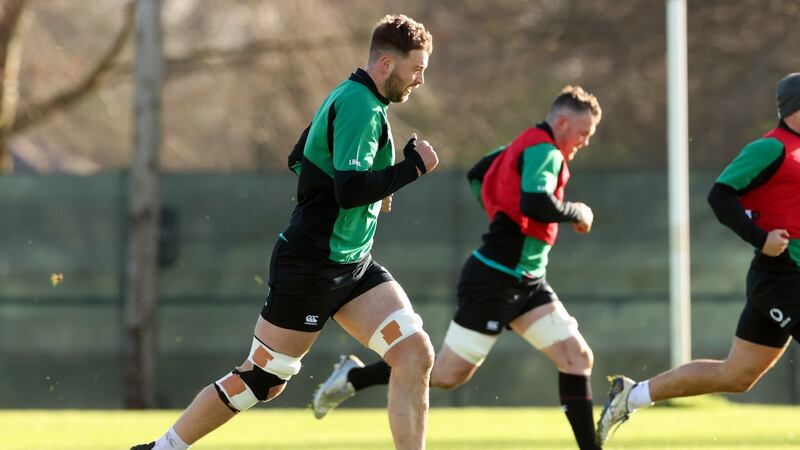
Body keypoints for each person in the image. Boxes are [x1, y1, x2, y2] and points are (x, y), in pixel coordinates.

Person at [131, 14, 437, 450]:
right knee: (262, 378)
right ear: (387, 64)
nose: (420, 79)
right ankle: (162, 448)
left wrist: (372, 187)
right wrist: (411, 168)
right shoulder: (360, 105)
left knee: (415, 354)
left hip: (353, 265)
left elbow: (301, 157)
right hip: (311, 267)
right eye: (417, 69)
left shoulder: (352, 96)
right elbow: (348, 190)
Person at [312, 86, 604, 450]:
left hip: (528, 281)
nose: (584, 142)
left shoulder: (524, 144)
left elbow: (479, 173)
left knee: (577, 358)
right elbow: (535, 202)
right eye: (583, 133)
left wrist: (501, 212)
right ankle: (354, 377)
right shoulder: (545, 151)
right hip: (495, 280)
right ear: (562, 122)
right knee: (447, 374)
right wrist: (578, 212)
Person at [595, 72, 800, 446]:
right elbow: (720, 196)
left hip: (786, 277)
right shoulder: (770, 148)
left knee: (736, 375)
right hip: (782, 277)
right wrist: (760, 238)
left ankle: (632, 395)